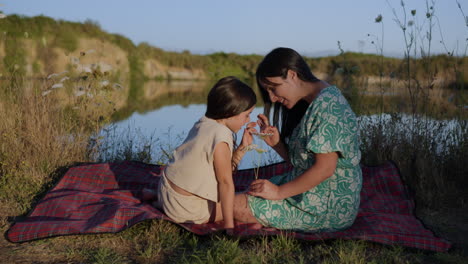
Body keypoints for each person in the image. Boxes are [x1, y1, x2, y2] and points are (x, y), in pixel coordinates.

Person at [233, 47, 362, 232]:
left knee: (230, 205)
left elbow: (324, 169)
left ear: (292, 75)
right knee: (243, 194)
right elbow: (304, 164)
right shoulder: (313, 102)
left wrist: (278, 193)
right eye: (267, 91)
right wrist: (276, 144)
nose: (272, 98)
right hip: (308, 193)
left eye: (273, 88)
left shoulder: (328, 106)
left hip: (327, 208)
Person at [153, 76, 257, 229]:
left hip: (165, 193)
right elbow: (226, 183)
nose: (248, 120)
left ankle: (156, 199)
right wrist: (229, 226)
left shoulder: (204, 123)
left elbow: (225, 168)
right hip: (186, 209)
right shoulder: (221, 136)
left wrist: (242, 147)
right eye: (247, 114)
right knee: (246, 203)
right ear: (232, 111)